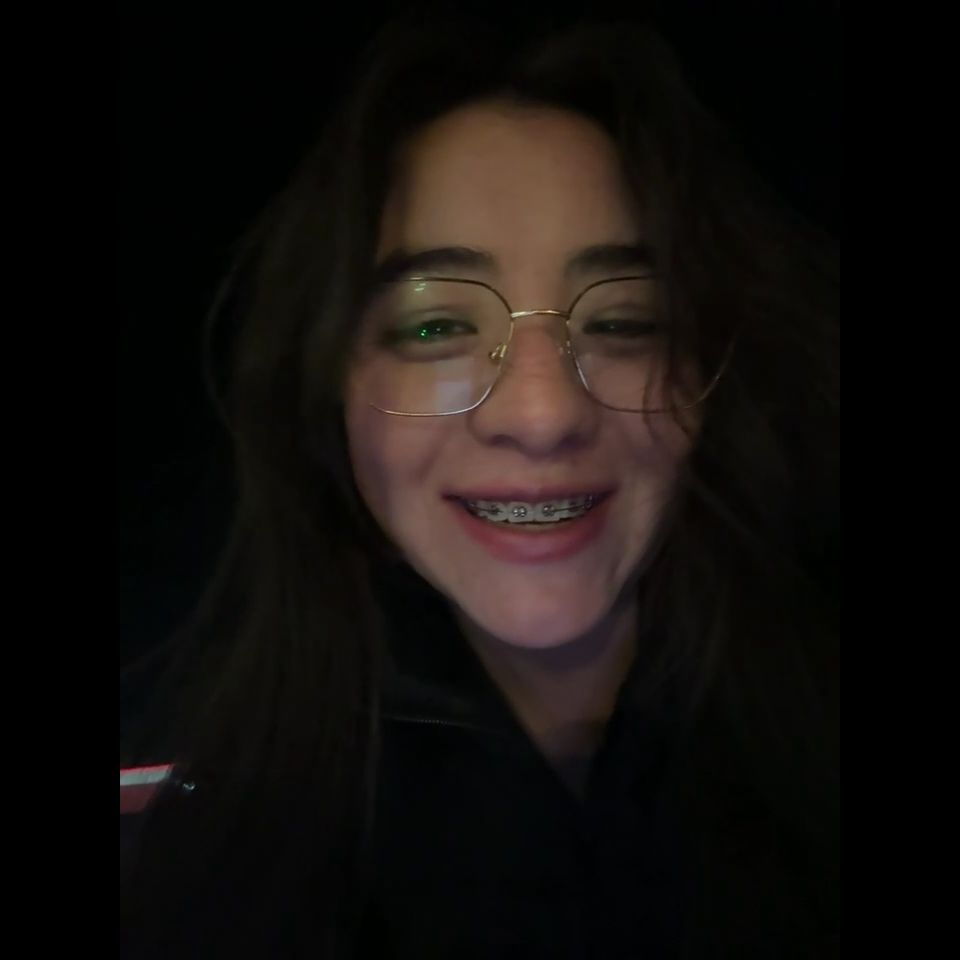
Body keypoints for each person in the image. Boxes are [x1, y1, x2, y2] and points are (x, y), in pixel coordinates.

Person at [121, 14, 839, 959]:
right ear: (330, 391)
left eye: (624, 321)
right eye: (433, 328)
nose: (541, 414)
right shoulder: (210, 869)